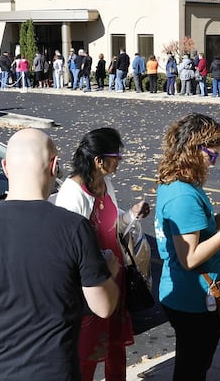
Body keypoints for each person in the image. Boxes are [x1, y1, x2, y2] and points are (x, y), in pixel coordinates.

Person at [0, 128, 120, 381]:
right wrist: (110, 272)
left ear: (5, 167)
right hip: (52, 371)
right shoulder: (73, 228)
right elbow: (103, 306)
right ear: (54, 166)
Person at [154, 113, 220, 380]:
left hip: (188, 295)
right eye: (212, 155)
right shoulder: (183, 195)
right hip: (194, 298)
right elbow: (190, 257)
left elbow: (197, 228)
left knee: (193, 363)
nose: (214, 162)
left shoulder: (177, 182)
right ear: (194, 149)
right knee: (192, 369)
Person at [54, 128, 149, 381]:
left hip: (114, 276)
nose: (119, 161)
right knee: (87, 351)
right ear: (99, 160)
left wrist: (130, 215)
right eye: (116, 156)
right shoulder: (72, 194)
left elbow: (112, 225)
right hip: (90, 285)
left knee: (115, 346)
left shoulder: (106, 182)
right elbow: (68, 248)